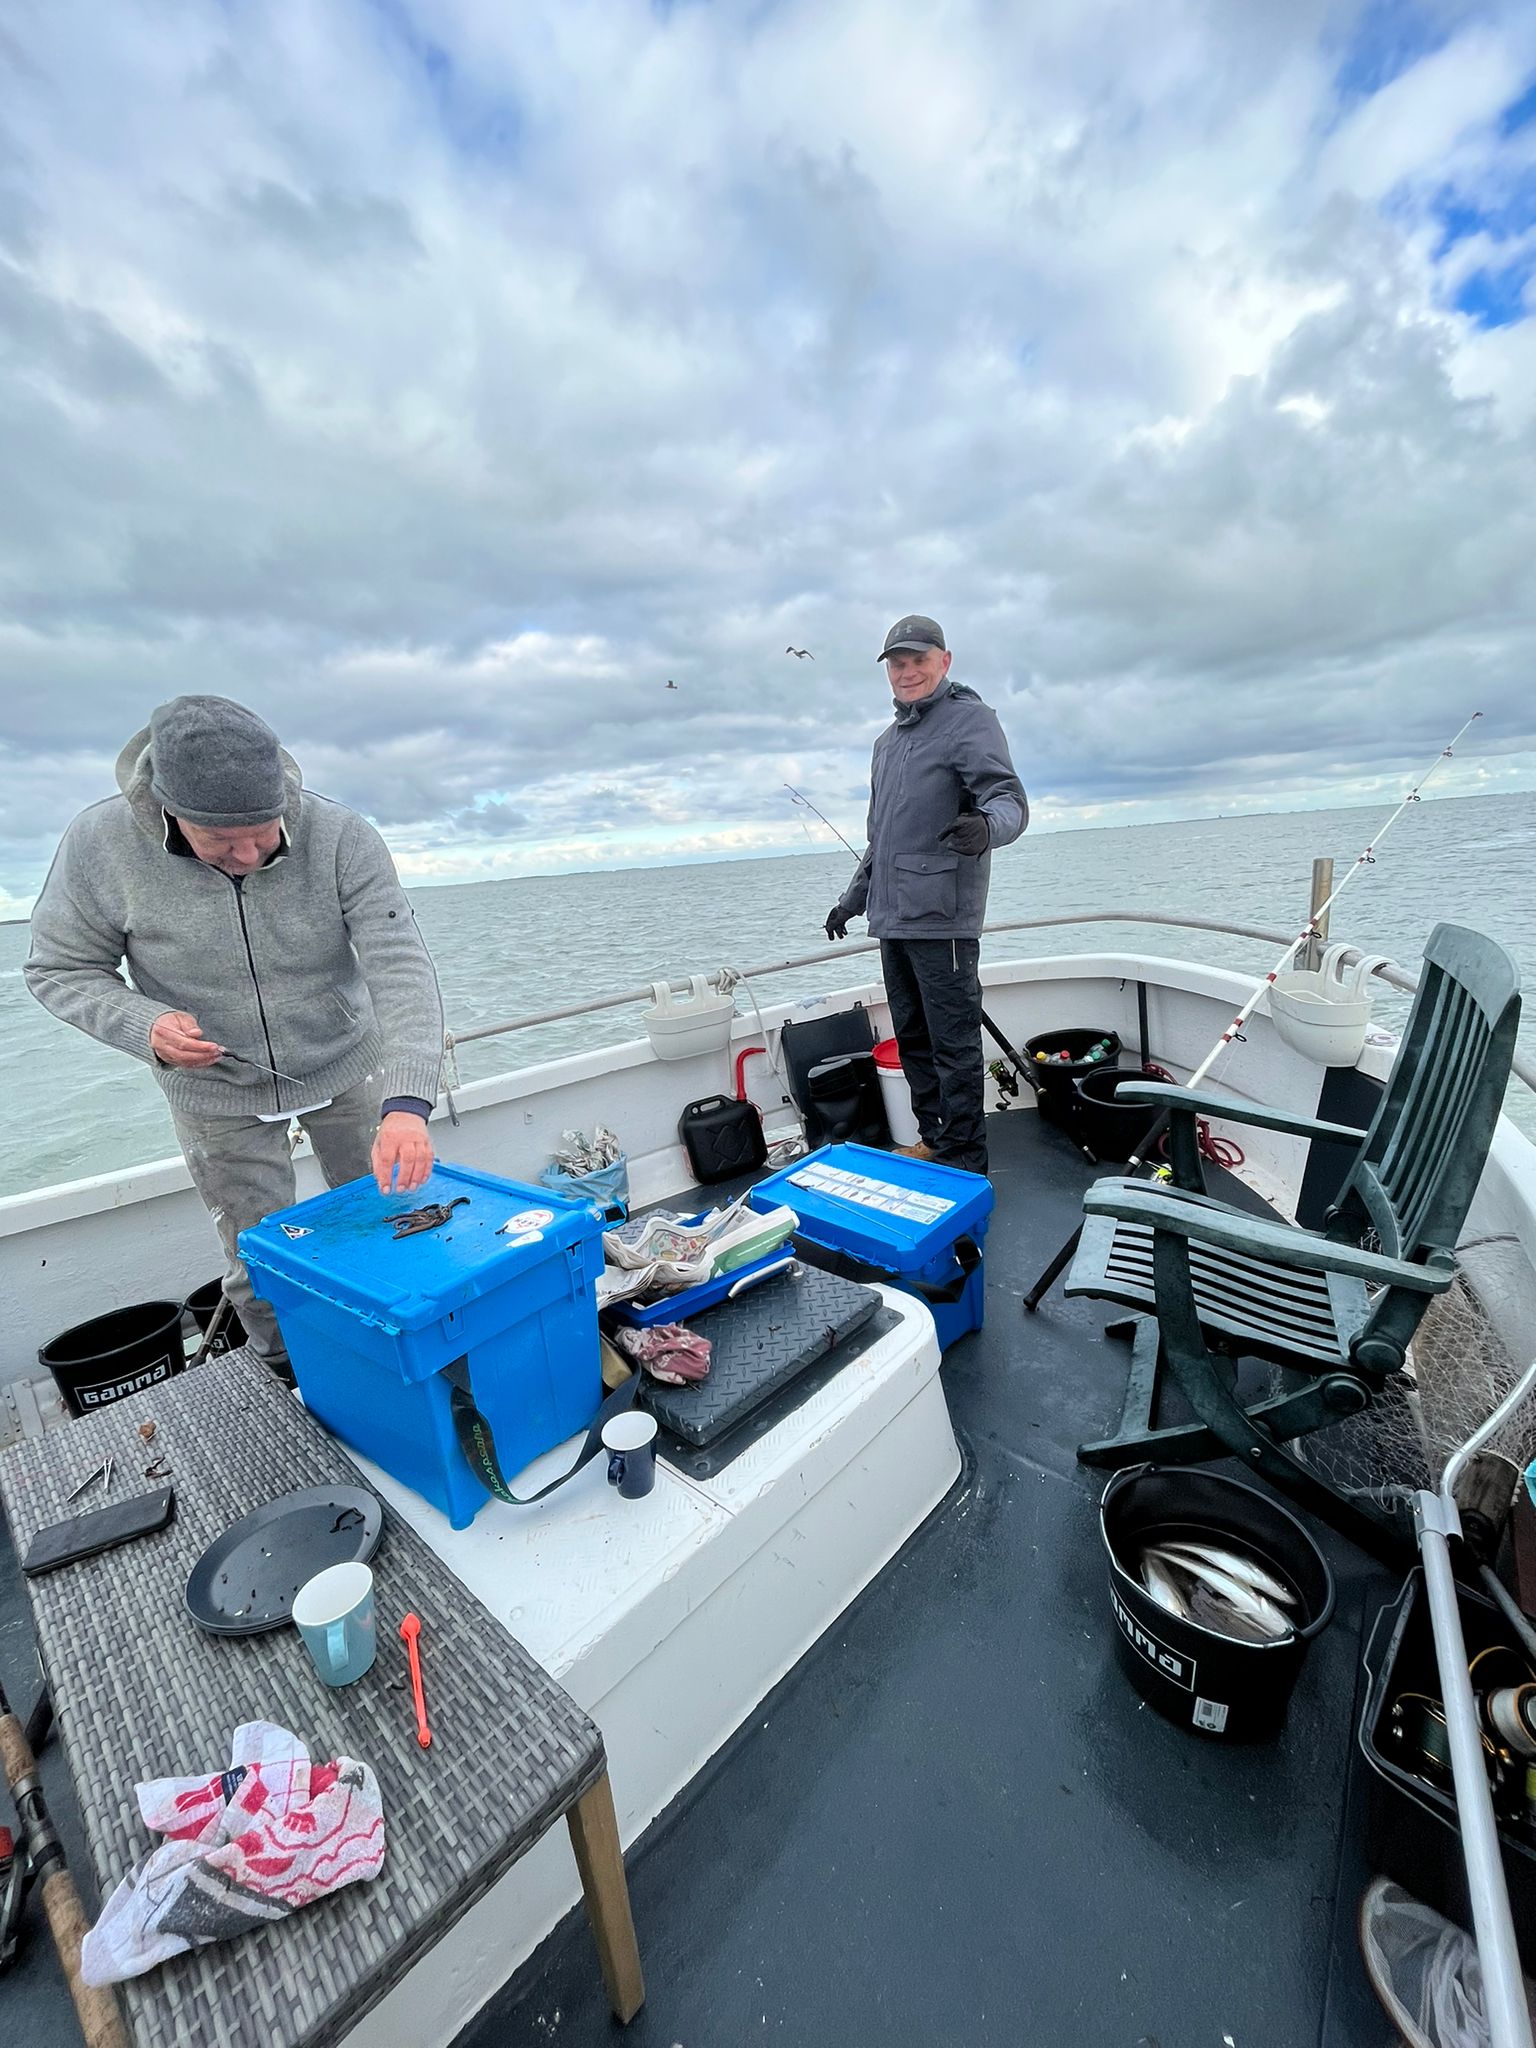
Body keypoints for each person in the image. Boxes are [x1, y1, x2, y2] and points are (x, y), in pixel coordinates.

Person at [26, 695, 446, 1374]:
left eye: (264, 831)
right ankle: (285, 1370)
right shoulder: (99, 844)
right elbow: (59, 968)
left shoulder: (342, 835)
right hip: (213, 1090)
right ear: (168, 810)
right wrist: (145, 1025)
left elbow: (400, 967)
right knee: (256, 1255)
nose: (249, 854)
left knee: (399, 1220)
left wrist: (408, 1104)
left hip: (347, 1064)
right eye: (222, 841)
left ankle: (416, 1348)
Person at [824, 616, 1026, 1176]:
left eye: (919, 660)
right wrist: (851, 901)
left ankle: (965, 1159)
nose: (908, 671)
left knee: (952, 1045)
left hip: (943, 917)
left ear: (945, 661)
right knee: (913, 1039)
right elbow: (880, 841)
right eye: (898, 663)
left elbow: (1007, 798)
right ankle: (935, 1140)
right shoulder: (886, 744)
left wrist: (986, 826)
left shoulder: (969, 720)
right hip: (893, 920)